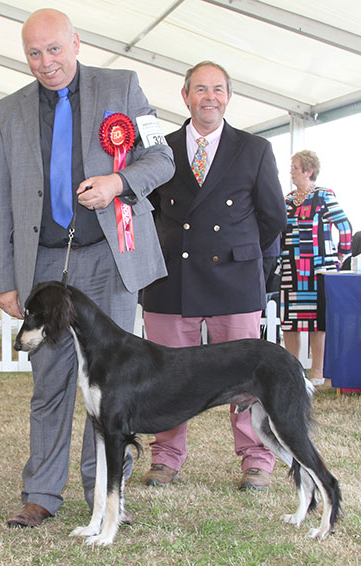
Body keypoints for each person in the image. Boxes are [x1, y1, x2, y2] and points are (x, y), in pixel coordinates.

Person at [0, 8, 174, 528]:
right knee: (49, 384)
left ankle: (106, 495)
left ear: (77, 43)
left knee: (110, 387)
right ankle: (41, 493)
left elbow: (162, 158)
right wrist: (2, 278)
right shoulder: (6, 112)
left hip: (110, 260)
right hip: (44, 266)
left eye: (55, 49)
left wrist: (118, 183)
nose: (46, 63)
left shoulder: (124, 86)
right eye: (34, 53)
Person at [141, 61, 287, 491]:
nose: (210, 97)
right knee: (166, 377)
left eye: (218, 89)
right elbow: (142, 212)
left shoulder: (254, 148)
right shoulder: (159, 150)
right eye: (201, 89)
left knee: (247, 378)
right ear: (184, 96)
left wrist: (240, 252)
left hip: (235, 281)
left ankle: (257, 460)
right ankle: (165, 458)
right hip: (171, 281)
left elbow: (272, 215)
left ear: (228, 96)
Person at [280, 150, 351, 386]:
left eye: (295, 167)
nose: (291, 171)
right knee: (290, 321)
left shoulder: (324, 196)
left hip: (319, 269)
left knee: (316, 322)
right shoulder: (287, 200)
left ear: (309, 170)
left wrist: (340, 257)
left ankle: (318, 372)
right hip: (291, 268)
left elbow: (345, 228)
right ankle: (292, 372)